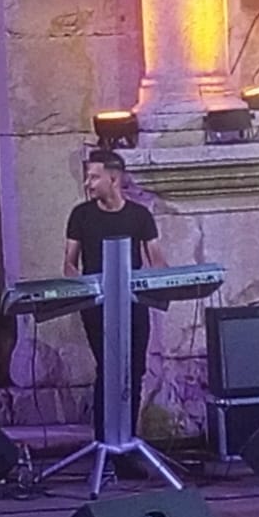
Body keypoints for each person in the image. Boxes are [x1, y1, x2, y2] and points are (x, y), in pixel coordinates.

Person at [63, 149, 168, 433]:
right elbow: (70, 265)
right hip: (97, 306)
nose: (88, 184)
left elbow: (157, 261)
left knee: (134, 370)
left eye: (94, 177)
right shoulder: (81, 215)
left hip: (133, 304)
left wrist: (164, 280)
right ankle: (104, 439)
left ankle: (128, 439)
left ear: (114, 178)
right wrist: (84, 287)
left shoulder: (139, 216)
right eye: (88, 177)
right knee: (108, 370)